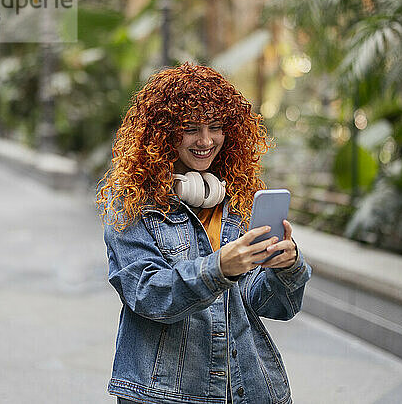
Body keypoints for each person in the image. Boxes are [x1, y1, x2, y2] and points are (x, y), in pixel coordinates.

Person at [96, 63, 311, 404]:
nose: (206, 140)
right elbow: (146, 294)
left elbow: (268, 305)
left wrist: (286, 266)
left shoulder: (237, 195)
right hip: (165, 394)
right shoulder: (132, 200)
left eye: (215, 127)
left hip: (246, 390)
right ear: (163, 132)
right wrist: (218, 269)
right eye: (191, 128)